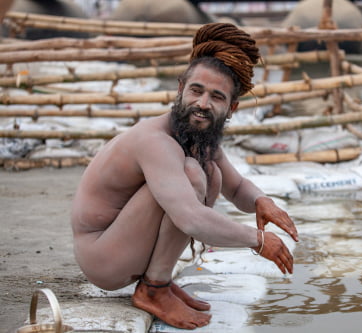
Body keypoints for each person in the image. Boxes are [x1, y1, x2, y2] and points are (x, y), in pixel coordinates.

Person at [71, 23, 299, 330]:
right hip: (103, 257)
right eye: (196, 90)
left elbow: (237, 187)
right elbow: (191, 219)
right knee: (193, 174)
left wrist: (262, 201)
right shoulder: (155, 141)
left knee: (211, 172)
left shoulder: (199, 138)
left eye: (216, 97)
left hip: (128, 248)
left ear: (231, 108)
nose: (202, 104)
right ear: (181, 89)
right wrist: (257, 241)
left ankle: (157, 281)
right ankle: (154, 289)